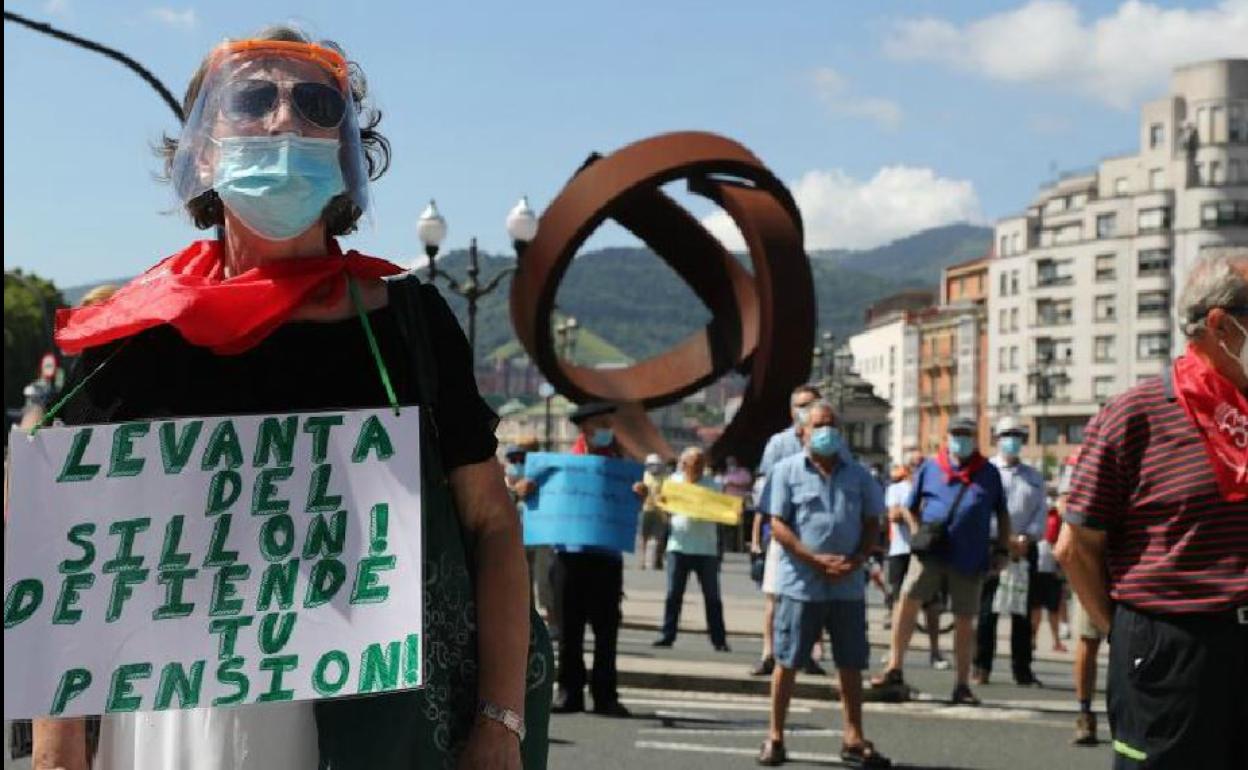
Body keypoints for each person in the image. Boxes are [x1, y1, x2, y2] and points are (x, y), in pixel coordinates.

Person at [31, 25, 549, 770]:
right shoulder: (129, 336)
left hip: (379, 732)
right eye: (252, 99)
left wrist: (500, 724)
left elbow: (491, 525)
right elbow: (68, 557)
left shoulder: (407, 325)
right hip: (173, 732)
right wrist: (56, 744)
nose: (284, 119)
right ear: (202, 151)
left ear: (346, 153)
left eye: (315, 102)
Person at [1056, 248, 1248, 769]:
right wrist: (1122, 634)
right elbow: (1076, 548)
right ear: (1222, 326)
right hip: (1173, 649)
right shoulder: (1134, 416)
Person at [759, 401, 891, 767]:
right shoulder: (786, 471)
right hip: (802, 582)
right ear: (803, 431)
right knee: (787, 660)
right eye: (818, 425)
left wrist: (857, 560)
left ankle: (853, 736)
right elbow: (778, 525)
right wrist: (813, 558)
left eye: (832, 425)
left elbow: (871, 522)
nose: (826, 431)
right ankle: (775, 736)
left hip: (847, 583)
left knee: (850, 663)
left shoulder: (859, 475)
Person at [517, 401, 646, 718]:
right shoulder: (560, 466)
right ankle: (569, 692)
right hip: (569, 558)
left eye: (609, 424)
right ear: (586, 427)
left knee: (606, 630)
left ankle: (605, 695)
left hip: (606, 558)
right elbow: (530, 497)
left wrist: (638, 496)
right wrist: (526, 490)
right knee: (569, 629)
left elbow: (628, 508)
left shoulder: (619, 465)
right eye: (603, 423)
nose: (608, 430)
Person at [871, 416, 1011, 706]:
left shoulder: (988, 473)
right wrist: (916, 533)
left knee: (964, 619)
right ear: (947, 437)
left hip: (970, 557)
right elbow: (909, 506)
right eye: (957, 434)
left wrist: (1002, 550)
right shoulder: (931, 467)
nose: (962, 439)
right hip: (931, 554)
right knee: (907, 603)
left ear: (976, 437)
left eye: (967, 434)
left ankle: (961, 683)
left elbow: (1003, 514)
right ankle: (894, 667)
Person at [751, 385, 826, 677]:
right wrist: (758, 534)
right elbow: (764, 490)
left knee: (814, 597)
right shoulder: (779, 444)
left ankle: (807, 654)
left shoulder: (830, 442)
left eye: (809, 404)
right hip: (783, 530)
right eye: (799, 405)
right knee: (774, 595)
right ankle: (769, 654)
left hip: (816, 533)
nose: (803, 410)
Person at [974, 416, 1046, 686]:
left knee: (1023, 614)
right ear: (996, 438)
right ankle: (981, 666)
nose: (1012, 440)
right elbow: (982, 509)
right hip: (993, 546)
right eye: (1007, 435)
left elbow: (1040, 510)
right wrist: (1004, 538)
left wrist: (1027, 537)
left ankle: (1022, 669)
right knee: (986, 611)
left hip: (1025, 549)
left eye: (1017, 435)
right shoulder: (987, 472)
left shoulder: (1033, 476)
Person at [652, 446, 731, 652]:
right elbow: (665, 514)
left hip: (706, 549)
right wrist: (661, 505)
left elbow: (722, 514)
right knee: (673, 594)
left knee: (712, 597)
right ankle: (667, 635)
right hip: (678, 545)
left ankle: (719, 639)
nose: (697, 468)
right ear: (683, 464)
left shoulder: (713, 485)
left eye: (700, 464)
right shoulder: (672, 484)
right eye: (693, 464)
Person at [881, 457, 948, 670]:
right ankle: (895, 653)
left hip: (927, 552)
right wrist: (909, 516)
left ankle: (935, 651)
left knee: (932, 606)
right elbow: (893, 515)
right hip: (901, 551)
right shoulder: (897, 489)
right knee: (899, 604)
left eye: (921, 465)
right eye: (913, 466)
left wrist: (906, 511)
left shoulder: (934, 490)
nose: (917, 470)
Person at [1055, 451, 1100, 746]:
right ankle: (1085, 712)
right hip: (1094, 561)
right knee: (1088, 638)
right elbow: (1063, 504)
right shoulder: (1082, 458)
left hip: (1138, 563)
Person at [1031, 504, 1066, 654]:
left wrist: (1061, 568)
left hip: (1052, 570)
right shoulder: (1037, 514)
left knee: (1053, 609)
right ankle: (1032, 639)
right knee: (1035, 608)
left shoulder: (1058, 516)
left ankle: (1056, 641)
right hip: (1038, 568)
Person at [638, 453, 670, 570]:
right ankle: (642, 560)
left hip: (660, 511)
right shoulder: (644, 476)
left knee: (659, 537)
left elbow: (669, 492)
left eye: (656, 465)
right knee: (644, 536)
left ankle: (658, 559)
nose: (654, 467)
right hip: (646, 509)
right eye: (651, 465)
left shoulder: (665, 477)